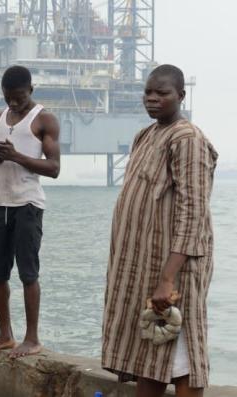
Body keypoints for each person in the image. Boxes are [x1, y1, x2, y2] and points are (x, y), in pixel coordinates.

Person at [102, 64, 217, 397]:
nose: (152, 99)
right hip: (146, 267)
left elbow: (193, 213)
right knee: (150, 350)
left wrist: (168, 278)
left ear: (180, 96)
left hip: (176, 268)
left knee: (183, 357)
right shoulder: (146, 135)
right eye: (148, 92)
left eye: (162, 93)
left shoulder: (187, 138)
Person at [0, 65, 61, 360]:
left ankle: (32, 338)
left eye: (20, 97)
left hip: (28, 205)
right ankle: (5, 335)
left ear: (31, 90)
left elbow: (54, 168)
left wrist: (16, 156)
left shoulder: (44, 119)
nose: (13, 103)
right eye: (8, 97)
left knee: (28, 273)